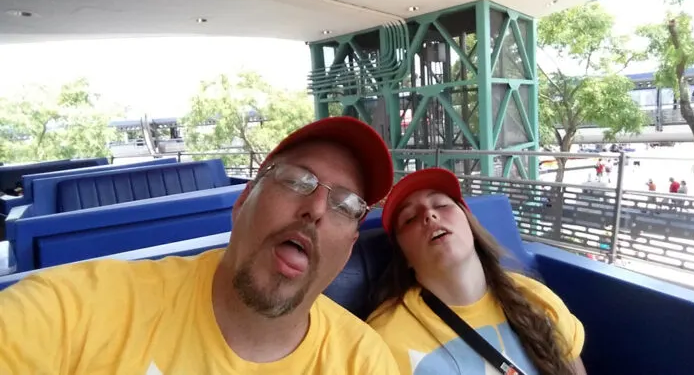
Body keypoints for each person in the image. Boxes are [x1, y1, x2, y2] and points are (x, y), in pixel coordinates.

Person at [0, 116, 401, 374]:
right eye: (298, 180)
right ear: (243, 202)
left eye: (346, 205)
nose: (316, 207)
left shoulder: (362, 361)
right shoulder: (78, 310)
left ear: (349, 248)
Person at [368, 168, 587, 375]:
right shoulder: (384, 338)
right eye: (410, 218)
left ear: (470, 224)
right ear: (404, 256)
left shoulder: (536, 298)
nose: (429, 215)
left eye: (442, 205)